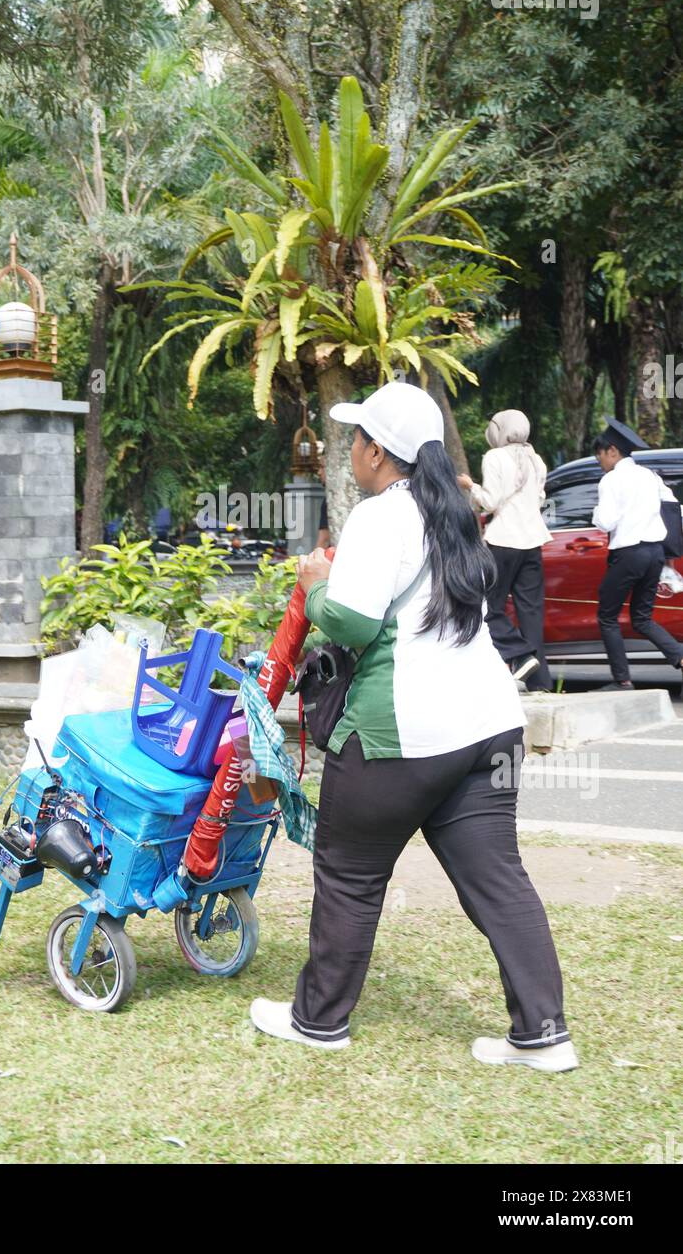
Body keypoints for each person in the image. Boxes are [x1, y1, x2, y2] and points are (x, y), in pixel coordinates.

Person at [250, 381, 578, 1072]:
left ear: (377, 451)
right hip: (490, 725)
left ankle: (319, 1020)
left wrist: (314, 584)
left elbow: (352, 621)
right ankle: (543, 1035)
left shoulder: (379, 517)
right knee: (498, 877)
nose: (349, 452)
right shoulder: (452, 509)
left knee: (348, 873)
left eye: (355, 440)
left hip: (403, 735)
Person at [456, 410, 553, 691]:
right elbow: (540, 498)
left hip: (503, 541)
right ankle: (540, 682)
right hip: (533, 541)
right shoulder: (537, 460)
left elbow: (490, 502)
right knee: (531, 612)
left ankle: (520, 655)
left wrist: (470, 486)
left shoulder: (494, 457)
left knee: (486, 605)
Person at [592, 418, 683, 693]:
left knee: (607, 616)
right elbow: (672, 506)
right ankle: (679, 655)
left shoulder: (611, 480)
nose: (600, 462)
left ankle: (622, 681)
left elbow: (605, 522)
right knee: (642, 618)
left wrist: (595, 514)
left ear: (611, 451)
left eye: (600, 456)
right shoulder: (650, 475)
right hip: (655, 554)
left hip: (630, 553)